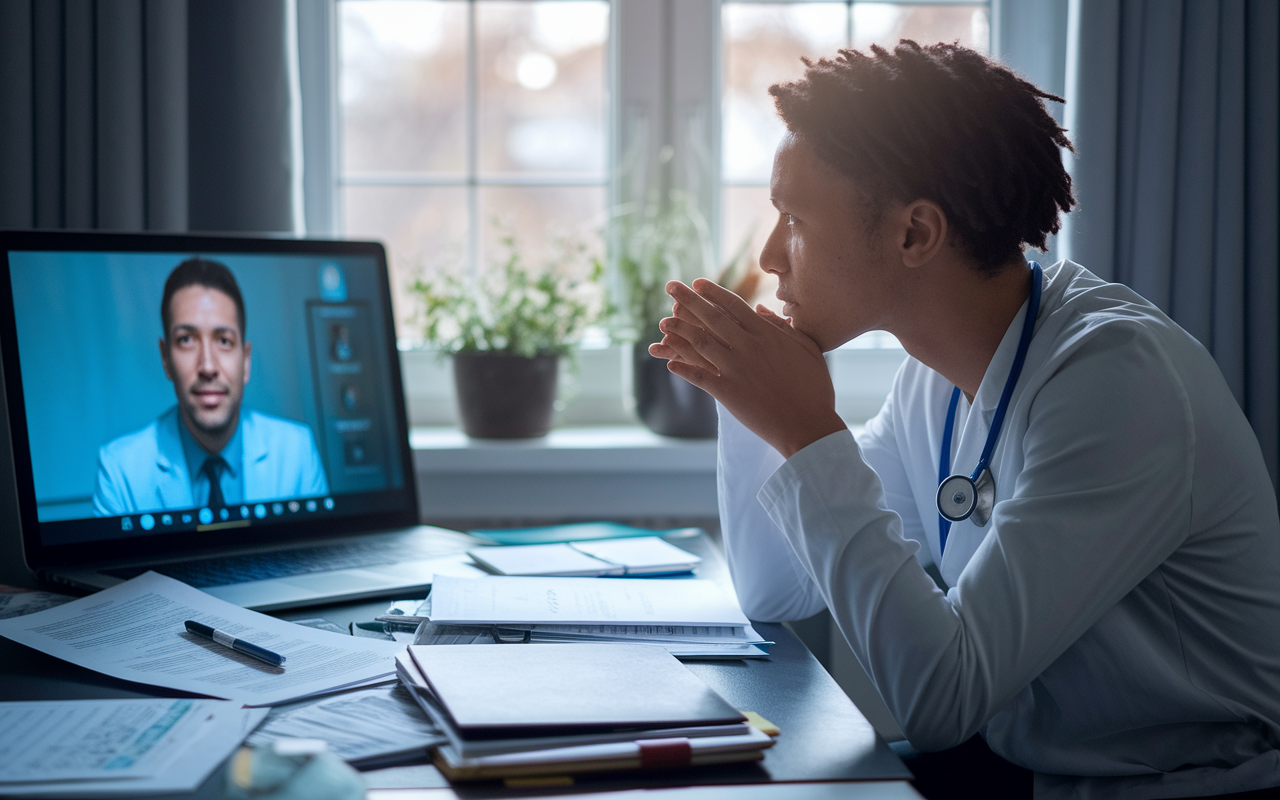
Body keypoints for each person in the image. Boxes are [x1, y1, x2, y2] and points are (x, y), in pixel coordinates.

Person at [650, 41, 1280, 799]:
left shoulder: (1116, 381)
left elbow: (943, 701)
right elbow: (775, 592)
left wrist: (806, 429)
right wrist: (749, 395)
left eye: (796, 219)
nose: (769, 255)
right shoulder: (936, 377)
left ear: (915, 234)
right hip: (1035, 773)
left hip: (1189, 789)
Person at [93, 258, 328, 516]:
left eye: (224, 341)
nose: (207, 366)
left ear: (246, 361)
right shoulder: (120, 470)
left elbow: (318, 555)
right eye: (186, 340)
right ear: (166, 359)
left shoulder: (297, 453)